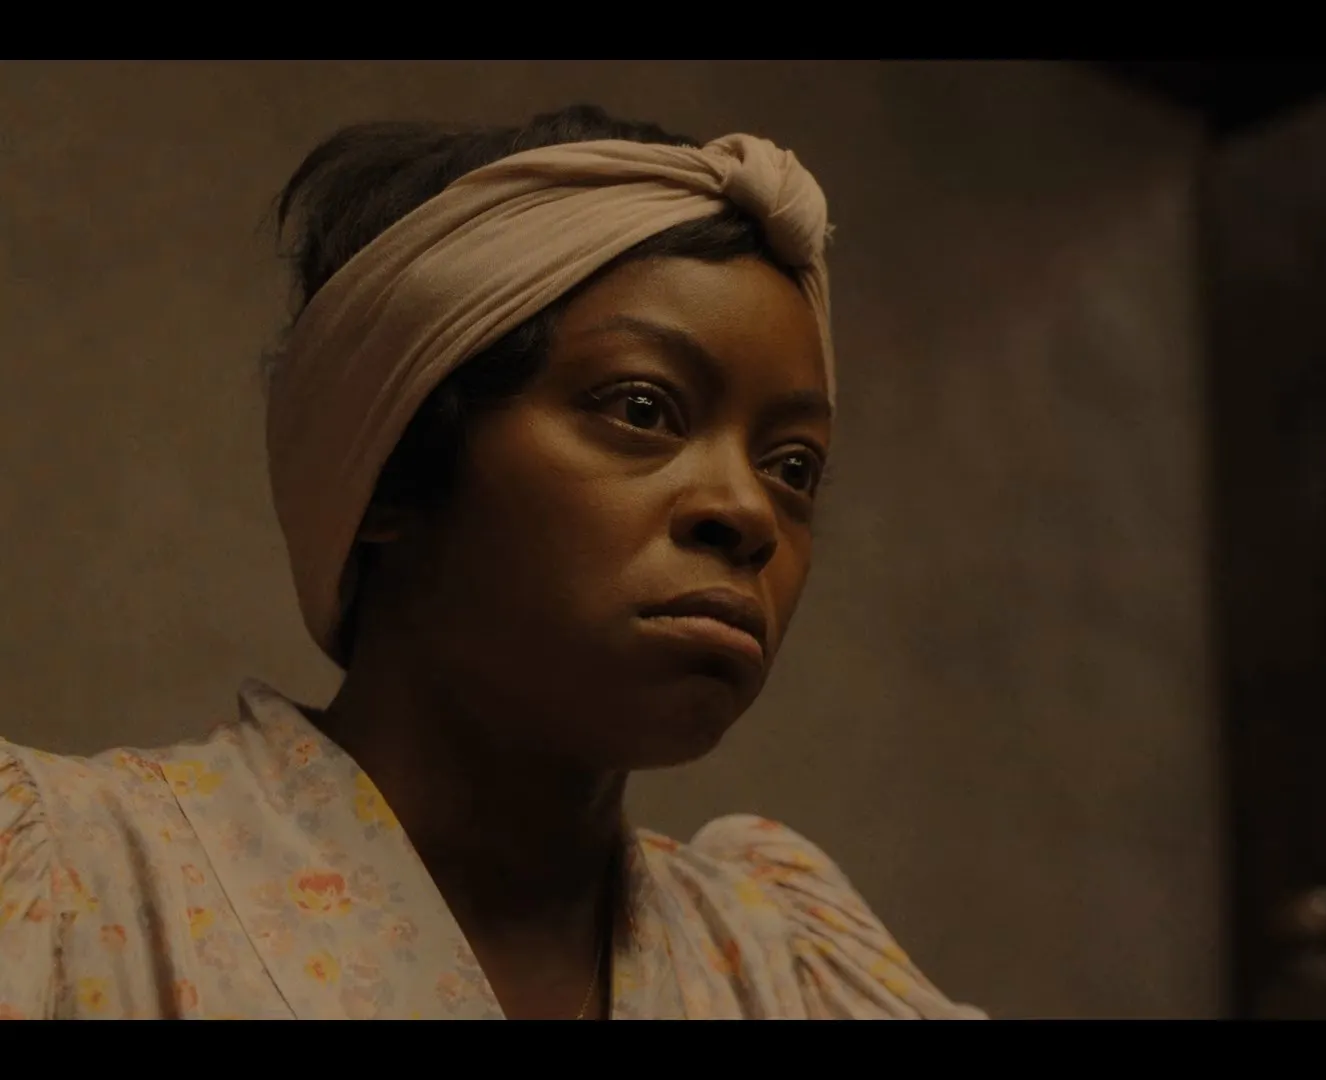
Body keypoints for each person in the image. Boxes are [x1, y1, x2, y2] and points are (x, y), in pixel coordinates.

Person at [0, 105, 984, 1020]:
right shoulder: (79, 885)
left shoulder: (784, 970)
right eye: (643, 410)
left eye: (794, 467)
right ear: (395, 471)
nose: (747, 511)